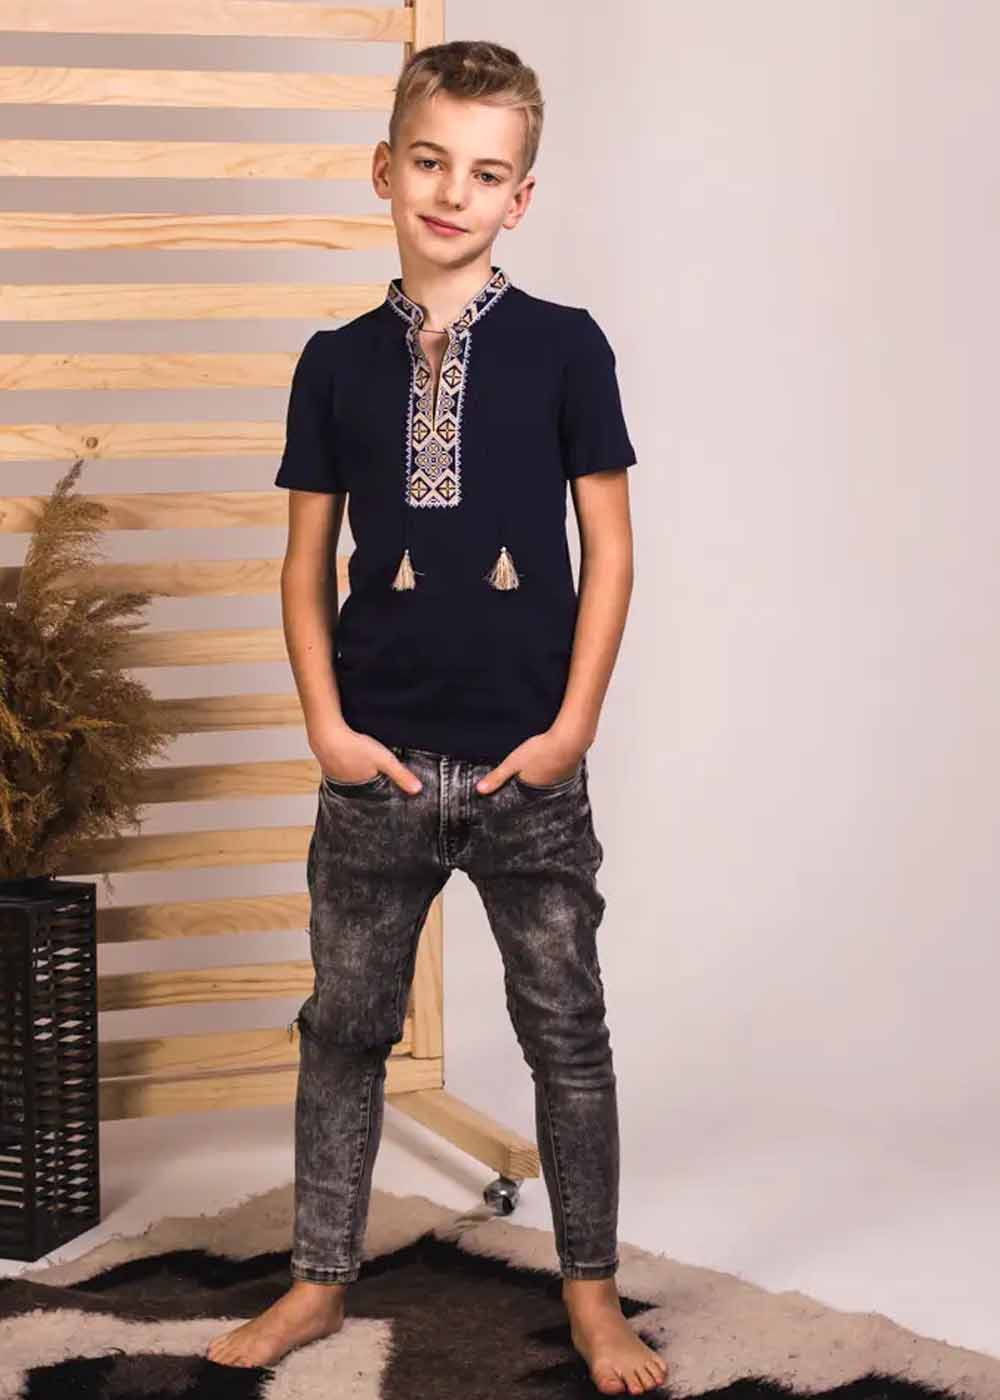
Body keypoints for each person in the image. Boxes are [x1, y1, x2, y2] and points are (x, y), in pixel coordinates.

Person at [207, 38, 665, 1396]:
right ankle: (316, 1282)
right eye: (428, 162)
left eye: (484, 171)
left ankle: (592, 1296)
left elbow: (611, 550)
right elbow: (304, 563)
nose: (452, 192)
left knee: (565, 1033)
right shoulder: (333, 363)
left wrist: (573, 729)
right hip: (378, 772)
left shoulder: (567, 348)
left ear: (521, 195)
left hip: (531, 773)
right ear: (383, 171)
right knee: (344, 1033)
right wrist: (328, 729)